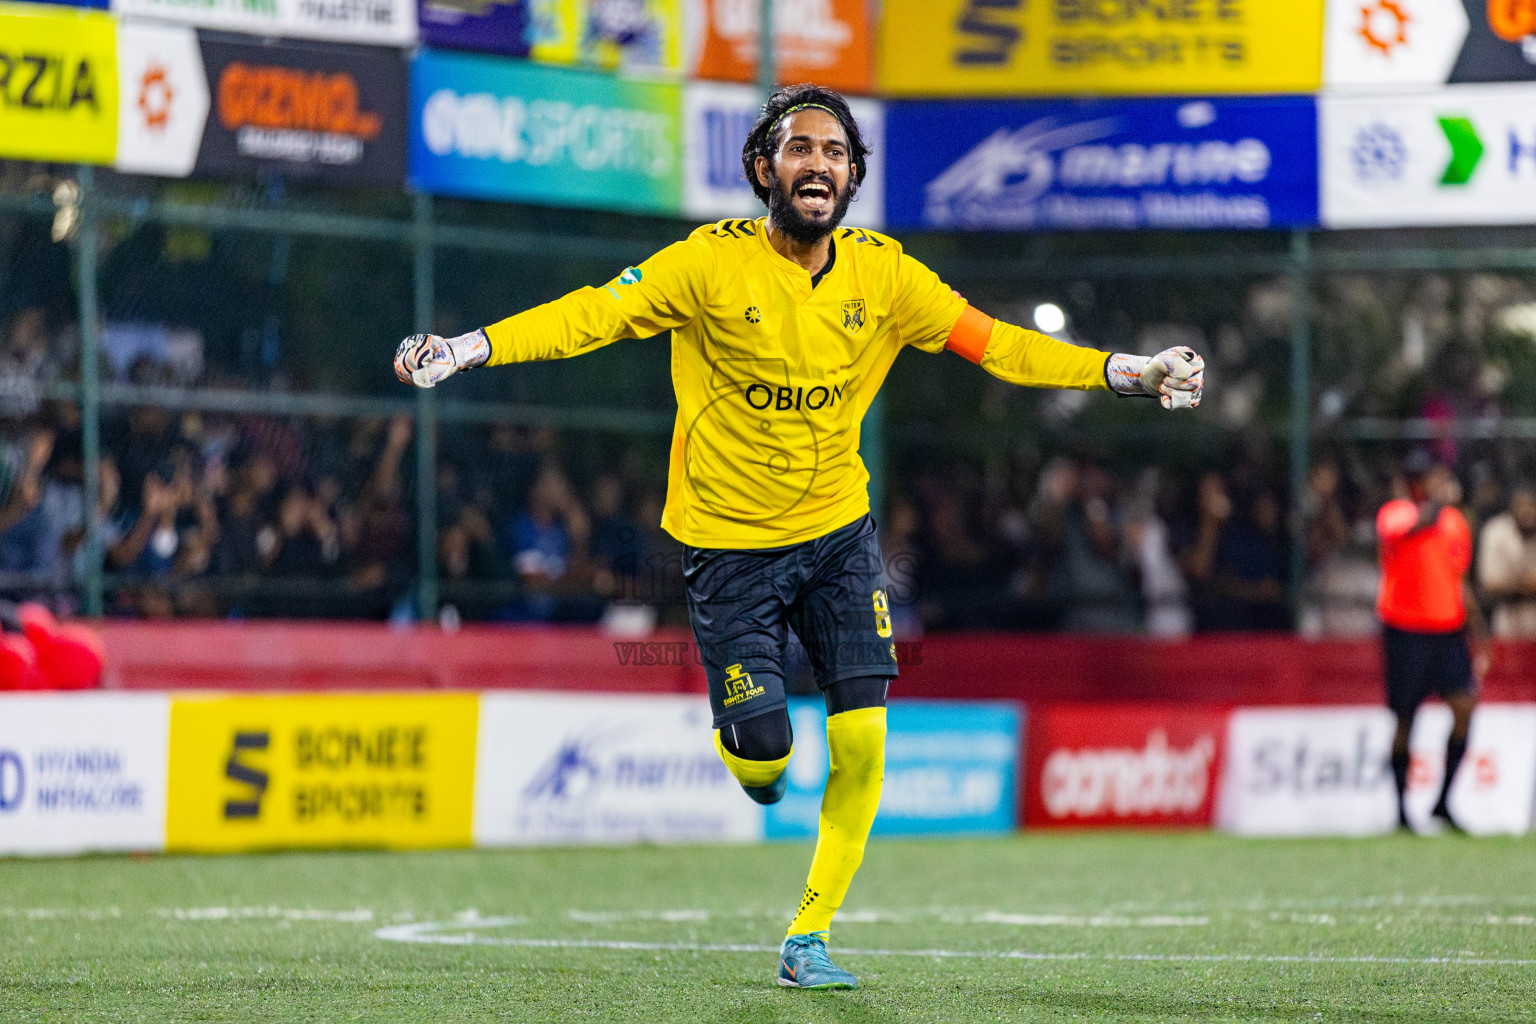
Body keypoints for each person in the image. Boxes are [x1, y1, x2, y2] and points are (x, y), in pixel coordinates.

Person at [393, 84, 1205, 989]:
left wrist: (1123, 371)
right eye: (799, 148)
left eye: (835, 152)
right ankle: (751, 758)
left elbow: (1002, 346)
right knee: (768, 754)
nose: (818, 162)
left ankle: (808, 935)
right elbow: (589, 315)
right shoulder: (706, 264)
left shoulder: (886, 274)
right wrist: (472, 347)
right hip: (726, 551)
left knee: (863, 744)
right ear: (761, 169)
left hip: (837, 541)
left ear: (853, 176)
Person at [1376, 452, 1488, 833]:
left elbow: (1459, 580)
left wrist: (1479, 636)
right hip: (1405, 631)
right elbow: (1411, 529)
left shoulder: (1456, 523)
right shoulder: (1396, 513)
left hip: (1448, 631)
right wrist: (1440, 501)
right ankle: (1401, 810)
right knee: (1405, 719)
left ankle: (1442, 802)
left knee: (1464, 707)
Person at [1476, 481, 1536, 637]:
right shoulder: (1495, 531)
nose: (1526, 511)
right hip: (1506, 615)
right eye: (1520, 505)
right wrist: (1523, 583)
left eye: (1531, 505)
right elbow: (1490, 582)